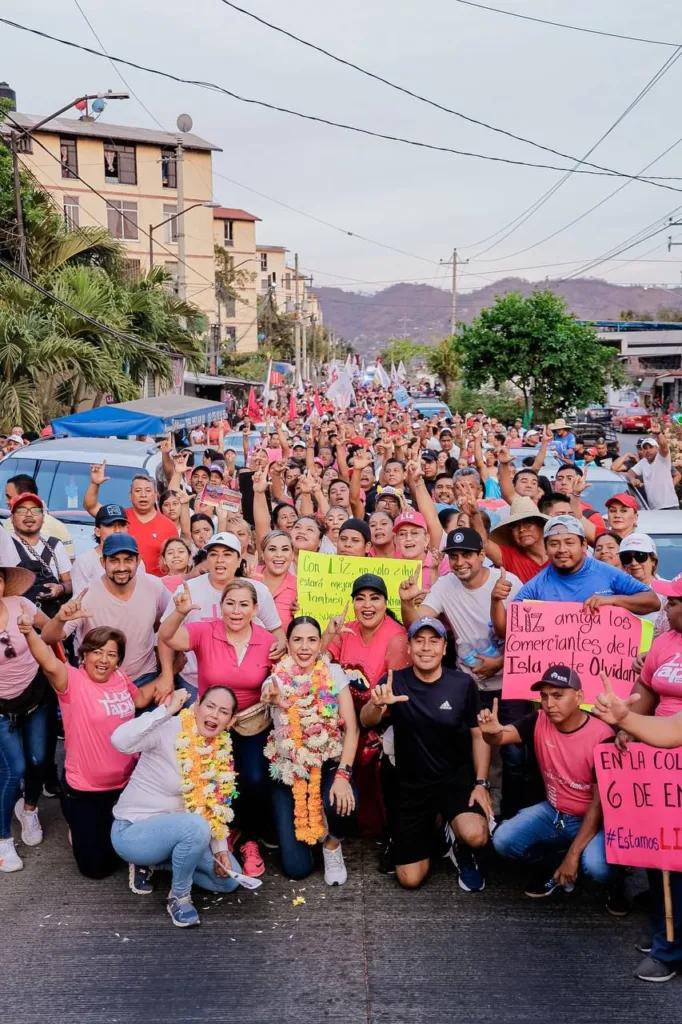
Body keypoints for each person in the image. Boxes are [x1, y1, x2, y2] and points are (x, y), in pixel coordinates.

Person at [16, 611, 159, 881]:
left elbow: (139, 700)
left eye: (112, 654)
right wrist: (27, 632)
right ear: (84, 655)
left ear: (118, 660)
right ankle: (77, 823)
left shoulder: (120, 678)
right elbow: (46, 660)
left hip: (127, 786)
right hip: (86, 790)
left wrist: (168, 677)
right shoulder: (71, 681)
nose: (104, 659)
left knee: (132, 851)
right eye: (97, 652)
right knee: (97, 869)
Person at [399, 527, 528, 820]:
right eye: (453, 556)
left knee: (514, 754)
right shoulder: (445, 585)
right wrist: (407, 603)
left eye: (467, 554)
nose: (460, 562)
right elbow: (419, 625)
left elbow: (530, 636)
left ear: (482, 555)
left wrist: (502, 662)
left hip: (509, 683)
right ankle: (473, 813)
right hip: (468, 685)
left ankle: (511, 819)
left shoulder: (507, 583)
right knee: (469, 750)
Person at [480, 665, 625, 912]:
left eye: (558, 696)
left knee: (597, 866)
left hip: (595, 819)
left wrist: (573, 856)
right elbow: (502, 736)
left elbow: (598, 806)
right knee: (503, 841)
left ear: (579, 698)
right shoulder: (539, 720)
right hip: (555, 811)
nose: (549, 703)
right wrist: (491, 733)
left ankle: (616, 880)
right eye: (544, 696)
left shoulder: (602, 736)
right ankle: (553, 864)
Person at [360, 617, 490, 892]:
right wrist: (376, 703)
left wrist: (481, 783)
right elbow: (366, 721)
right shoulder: (395, 681)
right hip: (412, 785)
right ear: (409, 647)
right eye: (419, 640)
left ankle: (461, 844)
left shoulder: (462, 684)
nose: (426, 647)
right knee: (410, 879)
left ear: (444, 648)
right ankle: (435, 834)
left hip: (454, 779)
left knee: (477, 835)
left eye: (434, 641)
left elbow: (479, 734)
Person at [158, 579, 275, 878]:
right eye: (230, 603)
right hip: (210, 721)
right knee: (204, 778)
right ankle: (211, 836)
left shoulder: (268, 641)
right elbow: (168, 636)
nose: (236, 611)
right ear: (220, 606)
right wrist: (179, 613)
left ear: (255, 608)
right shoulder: (204, 630)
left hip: (250, 721)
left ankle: (248, 838)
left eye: (244, 604)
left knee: (253, 777)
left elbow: (284, 676)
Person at [110, 685, 245, 926]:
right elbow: (119, 740)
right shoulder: (169, 728)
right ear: (197, 705)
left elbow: (211, 807)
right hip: (133, 832)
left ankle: (159, 864)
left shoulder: (220, 750)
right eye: (210, 706)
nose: (214, 715)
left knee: (229, 881)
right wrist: (166, 710)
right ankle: (179, 896)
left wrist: (221, 850)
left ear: (231, 721)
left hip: (183, 833)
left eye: (223, 712)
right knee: (195, 827)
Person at [594, 671, 682, 982]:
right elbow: (675, 728)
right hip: (668, 773)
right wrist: (628, 720)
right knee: (666, 859)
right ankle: (666, 938)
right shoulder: (666, 641)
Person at [263, 616, 359, 884]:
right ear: (288, 645)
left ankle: (331, 844)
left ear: (320, 645)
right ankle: (306, 834)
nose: (304, 647)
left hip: (327, 761)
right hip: (289, 770)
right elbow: (268, 690)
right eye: (297, 640)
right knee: (297, 868)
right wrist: (272, 696)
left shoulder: (333, 672)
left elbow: (352, 728)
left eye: (311, 640)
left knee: (344, 805)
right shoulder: (277, 676)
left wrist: (343, 776)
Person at [158, 532, 284, 704]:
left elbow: (275, 629)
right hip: (194, 684)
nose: (220, 560)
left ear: (239, 560)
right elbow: (166, 635)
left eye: (227, 554)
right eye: (214, 554)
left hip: (248, 687)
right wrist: (167, 675)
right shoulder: (187, 590)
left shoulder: (258, 591)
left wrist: (280, 644)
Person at [41, 535, 171, 689]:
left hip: (144, 677)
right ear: (103, 562)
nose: (121, 567)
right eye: (114, 561)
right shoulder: (87, 595)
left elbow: (173, 622)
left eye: (128, 560)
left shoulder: (154, 585)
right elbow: (48, 638)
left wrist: (168, 673)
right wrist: (59, 619)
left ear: (138, 561)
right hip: (99, 683)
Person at [0, 565, 51, 872]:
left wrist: (67, 616)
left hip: (35, 695)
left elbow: (53, 628)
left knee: (39, 759)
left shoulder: (20, 603)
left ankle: (29, 809)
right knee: (13, 767)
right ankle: (3, 839)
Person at [513, 516, 659, 615]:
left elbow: (652, 601)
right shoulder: (537, 585)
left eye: (569, 543)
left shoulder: (607, 572)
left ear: (583, 545)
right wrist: (496, 600)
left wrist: (612, 600)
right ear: (545, 548)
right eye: (554, 544)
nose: (562, 549)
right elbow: (508, 625)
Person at [84, 466, 177, 577]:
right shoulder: (119, 518)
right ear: (130, 496)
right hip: (120, 582)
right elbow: (90, 506)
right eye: (138, 491)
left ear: (156, 495)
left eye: (148, 491)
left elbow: (175, 563)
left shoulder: (168, 526)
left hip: (155, 588)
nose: (143, 495)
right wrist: (95, 484)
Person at [7, 492, 72, 617]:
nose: (29, 514)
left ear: (43, 518)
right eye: (21, 510)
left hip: (50, 620)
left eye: (35, 510)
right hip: (13, 619)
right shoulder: (4, 543)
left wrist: (60, 589)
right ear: (11, 517)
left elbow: (70, 583)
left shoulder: (55, 545)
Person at [71, 503, 141, 595]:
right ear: (97, 531)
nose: (117, 530)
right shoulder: (84, 562)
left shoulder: (135, 559)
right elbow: (79, 601)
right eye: (110, 525)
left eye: (122, 525)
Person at [4, 474, 74, 560]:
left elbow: (68, 566)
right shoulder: (4, 527)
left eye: (9, 497)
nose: (6, 502)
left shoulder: (59, 529)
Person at [484, 496, 549, 583]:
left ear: (542, 525)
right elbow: (484, 543)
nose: (522, 529)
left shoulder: (560, 554)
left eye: (528, 522)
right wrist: (473, 515)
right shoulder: (511, 557)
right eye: (515, 526)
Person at [253, 530, 298, 631]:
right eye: (272, 549)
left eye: (285, 549)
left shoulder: (300, 587)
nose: (279, 555)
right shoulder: (248, 577)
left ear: (292, 555)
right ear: (263, 555)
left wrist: (301, 613)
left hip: (281, 645)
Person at [626, 429, 679, 510]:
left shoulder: (662, 458)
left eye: (651, 447)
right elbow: (630, 472)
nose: (648, 450)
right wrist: (633, 479)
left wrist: (658, 434)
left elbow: (664, 447)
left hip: (670, 506)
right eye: (645, 448)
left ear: (657, 448)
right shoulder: (643, 462)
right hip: (653, 508)